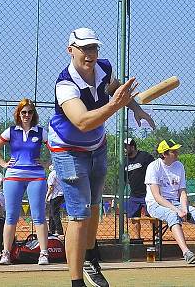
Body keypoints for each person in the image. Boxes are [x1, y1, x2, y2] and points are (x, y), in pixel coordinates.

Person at [48, 27, 152, 287]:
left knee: (94, 208)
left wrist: (135, 107)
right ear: (70, 50)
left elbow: (115, 88)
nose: (90, 54)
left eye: (93, 48)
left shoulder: (104, 67)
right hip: (68, 150)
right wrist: (114, 106)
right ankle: (76, 282)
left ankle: (90, 258)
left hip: (98, 146)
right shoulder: (65, 85)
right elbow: (82, 121)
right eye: (84, 48)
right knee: (79, 215)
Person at [145, 139, 195, 264]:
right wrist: (177, 211)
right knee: (172, 215)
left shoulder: (179, 166)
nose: (177, 153)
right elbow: (157, 197)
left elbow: (182, 192)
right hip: (156, 205)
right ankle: (187, 253)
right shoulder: (153, 167)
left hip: (176, 203)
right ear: (164, 154)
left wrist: (184, 208)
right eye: (174, 151)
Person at [0, 98, 50, 265]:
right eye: (23, 112)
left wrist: (46, 163)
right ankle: (6, 253)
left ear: (34, 114)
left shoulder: (41, 131)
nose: (27, 115)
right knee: (11, 216)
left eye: (30, 112)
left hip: (36, 176)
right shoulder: (11, 131)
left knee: (38, 215)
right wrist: (3, 164)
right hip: (13, 176)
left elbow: (55, 148)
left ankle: (44, 253)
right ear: (18, 113)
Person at [124, 137, 154, 241]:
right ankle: (137, 239)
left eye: (126, 147)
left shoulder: (145, 157)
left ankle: (155, 237)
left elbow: (154, 171)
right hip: (134, 195)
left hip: (148, 194)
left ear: (132, 147)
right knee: (134, 218)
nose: (124, 149)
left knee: (152, 216)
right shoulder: (124, 161)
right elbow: (124, 179)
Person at [47, 164, 65, 237]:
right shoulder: (61, 173)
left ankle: (59, 231)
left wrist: (47, 196)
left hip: (55, 195)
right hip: (62, 194)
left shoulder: (52, 174)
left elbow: (51, 187)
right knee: (51, 213)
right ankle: (52, 230)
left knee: (54, 213)